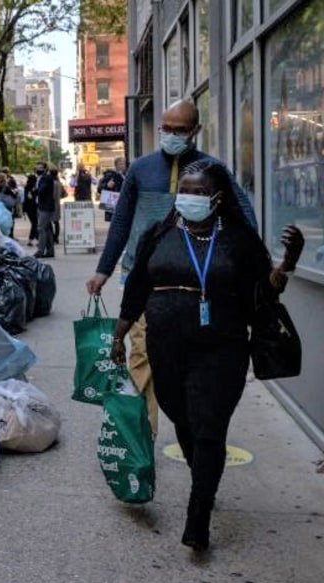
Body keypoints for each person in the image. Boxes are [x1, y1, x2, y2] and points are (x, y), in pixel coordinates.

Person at [111, 161, 303, 551]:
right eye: (185, 190)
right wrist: (120, 334)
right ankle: (205, 481)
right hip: (165, 345)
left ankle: (197, 517)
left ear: (217, 198)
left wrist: (288, 263)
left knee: (209, 427)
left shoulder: (239, 239)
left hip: (222, 348)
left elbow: (265, 293)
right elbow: (136, 287)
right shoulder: (159, 233)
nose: (189, 197)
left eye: (198, 192)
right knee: (181, 417)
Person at [87, 99, 257, 435]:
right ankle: (141, 436)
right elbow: (121, 221)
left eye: (180, 130)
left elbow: (244, 218)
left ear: (195, 131)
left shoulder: (213, 171)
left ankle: (192, 428)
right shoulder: (141, 169)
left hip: (199, 286)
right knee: (141, 358)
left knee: (186, 362)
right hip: (147, 281)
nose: (171, 135)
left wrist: (249, 268)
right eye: (166, 128)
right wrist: (103, 270)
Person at [34, 162, 57, 258]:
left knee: (41, 228)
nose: (38, 170)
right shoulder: (40, 178)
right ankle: (50, 251)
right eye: (37, 168)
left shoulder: (46, 178)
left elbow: (41, 190)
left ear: (45, 169)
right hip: (42, 205)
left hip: (45, 207)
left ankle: (40, 250)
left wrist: (34, 190)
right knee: (47, 229)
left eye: (40, 168)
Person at [98, 157, 127, 221]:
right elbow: (99, 189)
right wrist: (107, 186)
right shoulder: (109, 175)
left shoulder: (128, 175)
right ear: (116, 165)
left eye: (124, 164)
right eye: (121, 164)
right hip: (113, 204)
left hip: (125, 203)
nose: (123, 166)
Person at [23, 170, 39, 246]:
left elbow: (25, 199)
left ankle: (36, 238)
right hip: (33, 207)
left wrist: (24, 210)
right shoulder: (32, 188)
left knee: (35, 223)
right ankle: (31, 239)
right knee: (35, 223)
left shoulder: (26, 188)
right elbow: (31, 198)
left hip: (28, 208)